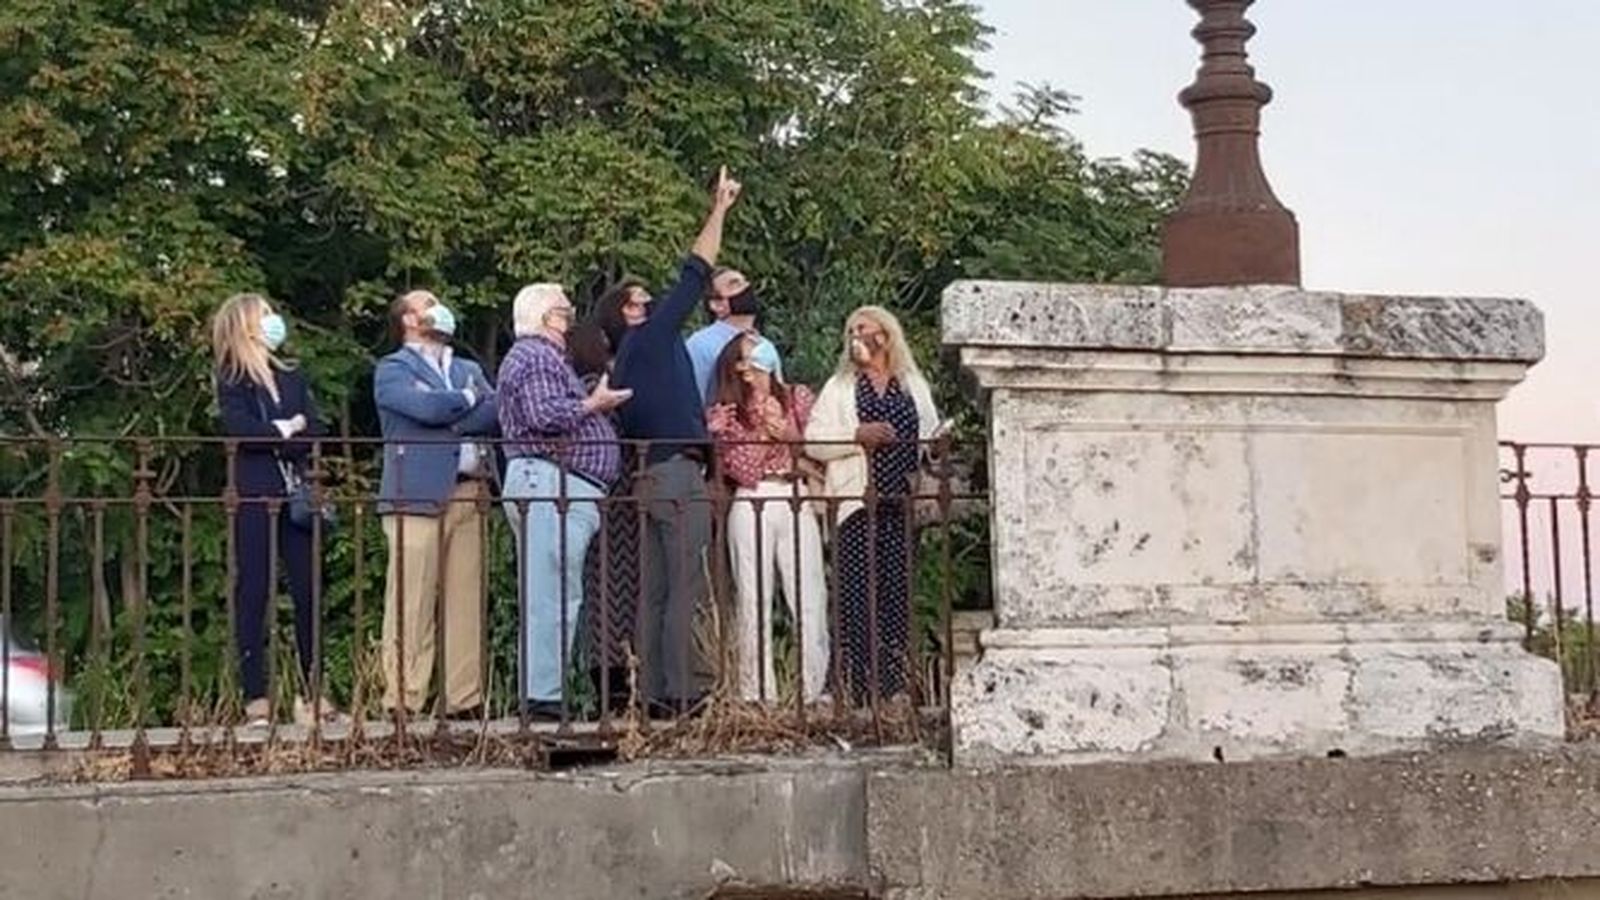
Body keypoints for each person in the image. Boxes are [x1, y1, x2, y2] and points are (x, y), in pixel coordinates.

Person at [593, 166, 742, 715]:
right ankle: (680, 692)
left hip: (648, 474)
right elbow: (696, 271)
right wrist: (720, 208)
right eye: (637, 301)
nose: (650, 304)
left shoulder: (625, 360)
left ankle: (651, 692)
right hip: (677, 472)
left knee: (655, 590)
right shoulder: (651, 337)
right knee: (687, 584)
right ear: (624, 316)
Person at [497, 284, 631, 720]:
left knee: (555, 592)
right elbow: (542, 414)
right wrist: (595, 403)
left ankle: (547, 695)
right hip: (551, 486)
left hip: (561, 486)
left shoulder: (543, 358)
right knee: (551, 595)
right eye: (564, 312)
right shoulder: (536, 355)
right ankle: (543, 701)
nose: (570, 320)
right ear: (544, 317)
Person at [211, 292, 341, 728]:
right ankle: (255, 697)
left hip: (296, 494)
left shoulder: (292, 376)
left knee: (308, 589)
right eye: (263, 316)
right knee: (253, 590)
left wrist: (283, 433)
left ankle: (315, 689)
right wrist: (285, 429)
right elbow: (240, 430)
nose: (272, 322)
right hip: (253, 493)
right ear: (245, 325)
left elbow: (316, 428)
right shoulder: (231, 376)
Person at [804, 306, 940, 705]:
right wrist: (856, 435)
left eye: (864, 328)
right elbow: (813, 439)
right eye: (851, 331)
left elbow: (929, 434)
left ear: (886, 333)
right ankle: (848, 684)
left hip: (899, 499)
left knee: (895, 593)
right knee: (853, 594)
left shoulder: (911, 383)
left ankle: (893, 686)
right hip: (856, 501)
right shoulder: (841, 386)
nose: (857, 336)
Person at [373, 290, 499, 719]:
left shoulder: (466, 366)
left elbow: (494, 410)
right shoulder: (392, 369)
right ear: (408, 318)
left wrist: (449, 411)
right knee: (412, 599)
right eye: (427, 302)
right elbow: (419, 408)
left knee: (467, 600)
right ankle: (403, 697)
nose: (438, 307)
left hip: (469, 489)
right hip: (415, 494)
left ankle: (464, 699)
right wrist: (464, 402)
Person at [707, 335, 827, 703]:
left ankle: (811, 688)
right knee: (752, 595)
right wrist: (760, 429)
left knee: (808, 592)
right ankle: (755, 691)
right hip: (753, 497)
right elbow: (741, 469)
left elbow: (818, 447)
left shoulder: (797, 396)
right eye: (748, 356)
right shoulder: (728, 411)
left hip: (794, 494)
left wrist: (790, 435)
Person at [568, 321, 643, 713]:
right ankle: (615, 688)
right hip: (614, 497)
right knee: (610, 595)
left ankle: (614, 685)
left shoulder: (579, 385)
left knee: (606, 595)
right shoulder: (593, 385)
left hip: (610, 499)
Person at [686, 267, 781, 406]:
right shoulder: (700, 344)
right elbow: (692, 400)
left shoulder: (765, 345)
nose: (747, 287)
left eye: (745, 282)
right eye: (735, 284)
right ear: (717, 305)